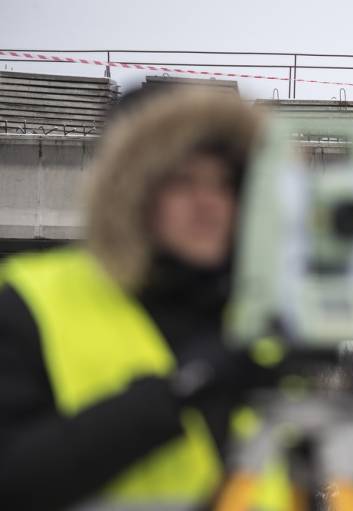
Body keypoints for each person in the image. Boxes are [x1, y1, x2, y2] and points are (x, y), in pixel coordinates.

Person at [0, 88, 298, 510]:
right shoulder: (33, 300)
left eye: (225, 185)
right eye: (183, 180)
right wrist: (182, 389)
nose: (208, 204)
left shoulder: (254, 325)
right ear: (132, 190)